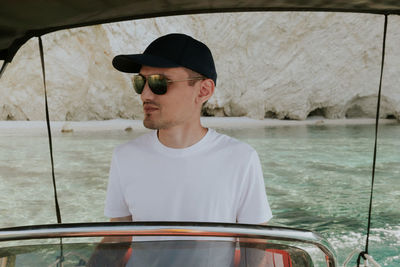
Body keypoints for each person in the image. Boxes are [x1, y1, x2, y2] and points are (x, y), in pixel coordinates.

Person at [101, 33, 272, 266]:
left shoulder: (241, 159)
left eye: (159, 82)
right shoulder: (124, 156)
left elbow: (254, 245)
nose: (145, 94)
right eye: (140, 82)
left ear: (203, 91)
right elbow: (116, 238)